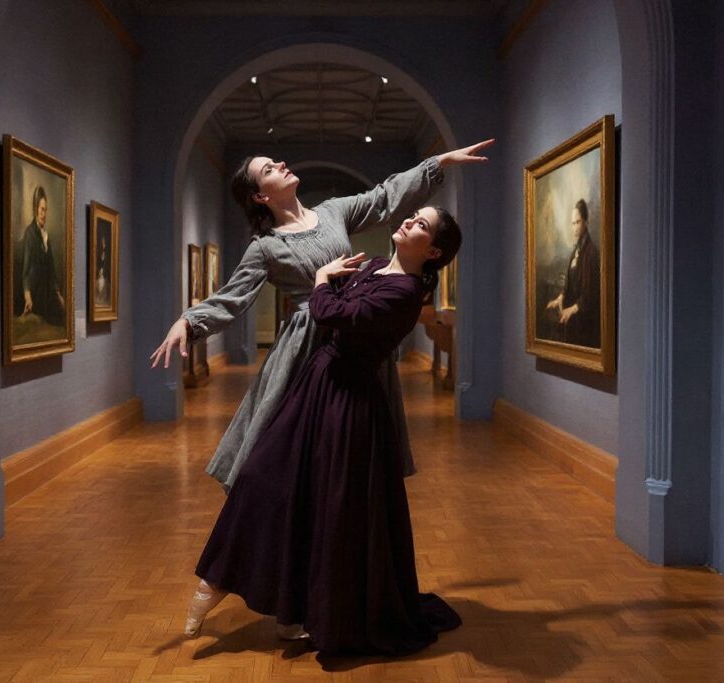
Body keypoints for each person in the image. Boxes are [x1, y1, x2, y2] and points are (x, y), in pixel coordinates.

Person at [185, 205, 464, 655]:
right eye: (413, 215)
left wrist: (320, 280)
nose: (409, 221)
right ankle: (224, 587)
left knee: (328, 507)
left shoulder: (405, 292)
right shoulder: (374, 265)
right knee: (259, 477)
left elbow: (331, 313)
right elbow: (336, 306)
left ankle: (295, 611)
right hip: (315, 384)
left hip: (348, 404)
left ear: (432, 251)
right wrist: (327, 286)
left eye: (422, 225)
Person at [149, 139, 494, 493]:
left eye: (276, 161)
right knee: (292, 444)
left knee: (352, 443)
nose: (281, 165)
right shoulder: (265, 246)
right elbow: (233, 297)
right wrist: (189, 321)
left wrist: (438, 163)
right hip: (306, 345)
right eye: (269, 169)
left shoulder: (332, 212)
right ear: (260, 196)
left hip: (356, 334)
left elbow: (384, 197)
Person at [545, 198, 600, 348]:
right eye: (572, 223)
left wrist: (571, 310)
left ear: (586, 222)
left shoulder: (591, 253)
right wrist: (560, 298)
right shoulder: (575, 251)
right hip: (573, 323)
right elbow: (570, 284)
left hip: (585, 325)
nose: (574, 228)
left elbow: (589, 295)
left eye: (578, 222)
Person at [20, 185, 65, 326]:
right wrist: (28, 296)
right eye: (41, 209)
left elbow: (51, 268)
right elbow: (26, 271)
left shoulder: (46, 235)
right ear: (35, 209)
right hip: (37, 296)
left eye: (46, 210)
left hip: (49, 294)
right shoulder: (30, 233)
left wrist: (58, 293)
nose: (44, 214)